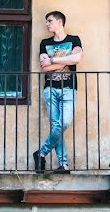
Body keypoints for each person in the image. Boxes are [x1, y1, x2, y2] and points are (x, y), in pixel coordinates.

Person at [33, 11, 83, 174]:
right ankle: (63, 164)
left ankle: (41, 152)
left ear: (60, 22)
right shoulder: (44, 43)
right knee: (57, 126)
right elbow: (44, 67)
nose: (47, 24)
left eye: (50, 21)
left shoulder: (74, 40)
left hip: (68, 88)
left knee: (63, 123)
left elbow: (76, 59)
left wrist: (53, 60)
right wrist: (65, 59)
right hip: (50, 89)